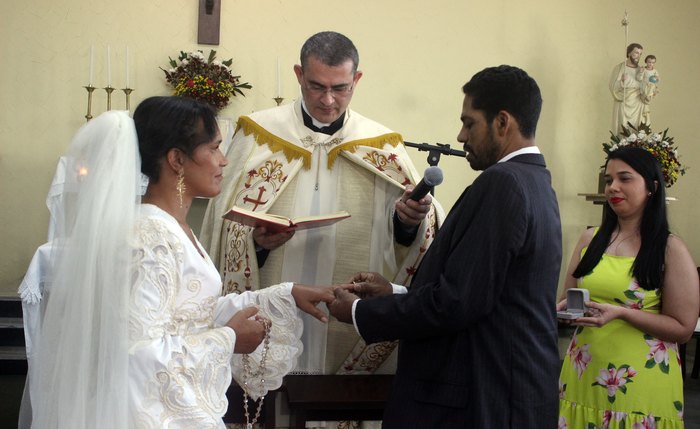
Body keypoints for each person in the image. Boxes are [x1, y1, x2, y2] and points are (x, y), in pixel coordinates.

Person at [27, 97, 335, 428]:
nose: (224, 160)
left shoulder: (172, 227)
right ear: (176, 159)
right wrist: (228, 339)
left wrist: (285, 295)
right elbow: (137, 355)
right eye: (214, 148)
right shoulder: (150, 239)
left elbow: (190, 314)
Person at [328, 65, 563, 428]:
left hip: (483, 395)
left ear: (502, 122)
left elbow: (457, 303)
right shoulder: (535, 182)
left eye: (470, 123)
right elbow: (484, 292)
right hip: (510, 389)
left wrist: (360, 313)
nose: (461, 135)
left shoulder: (503, 183)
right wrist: (392, 292)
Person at [200, 31, 443, 377]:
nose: (328, 100)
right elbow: (224, 233)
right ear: (299, 75)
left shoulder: (383, 146)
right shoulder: (258, 136)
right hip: (273, 312)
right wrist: (256, 243)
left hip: (346, 326)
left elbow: (417, 239)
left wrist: (408, 222)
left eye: (340, 88)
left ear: (356, 80)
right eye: (316, 86)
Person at [557, 146, 699, 428]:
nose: (613, 187)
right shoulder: (590, 239)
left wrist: (622, 313)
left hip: (639, 385)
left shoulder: (670, 248)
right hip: (584, 372)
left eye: (625, 178)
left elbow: (683, 328)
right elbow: (566, 299)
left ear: (652, 187)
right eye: (608, 180)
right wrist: (560, 311)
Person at [610, 43, 648, 133]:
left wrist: (649, 90)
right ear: (629, 53)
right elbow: (612, 87)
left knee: (637, 127)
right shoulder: (619, 68)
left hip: (638, 103)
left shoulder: (641, 70)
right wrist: (621, 82)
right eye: (636, 53)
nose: (638, 56)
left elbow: (644, 86)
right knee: (623, 127)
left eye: (640, 54)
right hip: (624, 101)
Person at [638, 54, 660, 126]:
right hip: (644, 86)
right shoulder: (644, 69)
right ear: (646, 62)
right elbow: (639, 78)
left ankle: (648, 98)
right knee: (645, 94)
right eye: (649, 62)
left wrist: (656, 79)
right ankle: (646, 97)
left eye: (653, 62)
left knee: (650, 92)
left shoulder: (655, 71)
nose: (651, 64)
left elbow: (657, 80)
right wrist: (641, 72)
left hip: (651, 87)